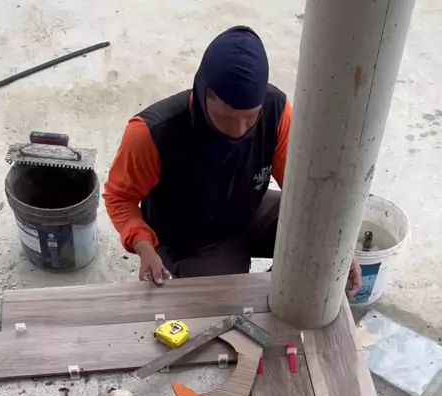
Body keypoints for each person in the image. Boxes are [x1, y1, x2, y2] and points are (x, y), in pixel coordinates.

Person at [104, 26, 361, 297]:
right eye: (225, 117)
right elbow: (119, 197)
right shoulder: (152, 134)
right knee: (224, 306)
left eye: (250, 118)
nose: (238, 131)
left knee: (315, 236)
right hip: (189, 244)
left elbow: (302, 190)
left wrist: (336, 249)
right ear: (202, 95)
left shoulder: (276, 112)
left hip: (249, 210)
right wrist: (143, 245)